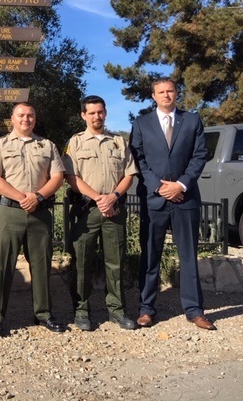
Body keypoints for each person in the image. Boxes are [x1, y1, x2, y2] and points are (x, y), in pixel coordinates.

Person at [130, 79, 214, 330]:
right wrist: (160, 186)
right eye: (161, 92)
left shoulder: (192, 120)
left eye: (170, 91)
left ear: (177, 93)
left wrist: (181, 185)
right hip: (153, 199)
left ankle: (194, 310)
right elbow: (138, 158)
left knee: (188, 255)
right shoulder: (141, 123)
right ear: (153, 96)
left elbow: (200, 155)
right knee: (150, 255)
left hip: (184, 198)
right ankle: (146, 309)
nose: (166, 95)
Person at [0, 102, 66, 337]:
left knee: (41, 266)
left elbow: (58, 176)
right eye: (21, 115)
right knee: (2, 266)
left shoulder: (47, 145)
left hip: (39, 212)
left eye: (30, 115)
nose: (25, 119)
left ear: (35, 119)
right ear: (12, 118)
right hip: (10, 212)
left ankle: (43, 314)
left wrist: (38, 196)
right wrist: (22, 198)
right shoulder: (0, 145)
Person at [63, 95, 138, 331]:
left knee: (115, 262)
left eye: (101, 112)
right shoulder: (75, 143)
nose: (97, 116)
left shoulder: (118, 142)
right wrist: (98, 198)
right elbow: (71, 177)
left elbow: (129, 174)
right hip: (87, 210)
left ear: (105, 113)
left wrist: (113, 197)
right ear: (83, 115)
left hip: (114, 208)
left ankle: (117, 310)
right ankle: (81, 311)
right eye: (92, 112)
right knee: (82, 262)